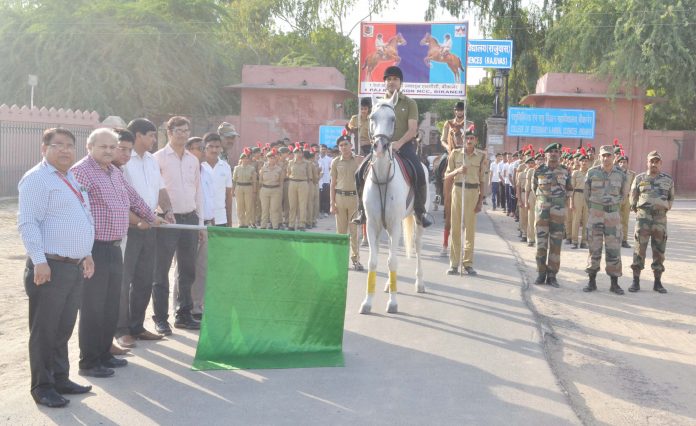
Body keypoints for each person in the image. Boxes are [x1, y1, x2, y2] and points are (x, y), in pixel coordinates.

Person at [72, 128, 158, 377]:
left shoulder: (114, 172)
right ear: (89, 147)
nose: (109, 151)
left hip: (114, 247)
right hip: (93, 249)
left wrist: (152, 217)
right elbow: (78, 211)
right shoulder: (82, 172)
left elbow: (133, 198)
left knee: (110, 305)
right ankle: (89, 362)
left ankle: (104, 354)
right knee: (92, 306)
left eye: (112, 147)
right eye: (103, 147)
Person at [18, 128, 95, 408]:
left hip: (73, 267)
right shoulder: (37, 179)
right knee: (44, 330)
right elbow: (28, 223)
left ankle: (61, 377)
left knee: (63, 328)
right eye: (57, 145)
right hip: (49, 266)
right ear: (44, 148)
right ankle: (42, 386)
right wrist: (39, 260)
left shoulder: (70, 177)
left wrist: (86, 253)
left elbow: (82, 217)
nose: (65, 150)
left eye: (69, 145)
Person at [116, 118, 173, 349]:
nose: (153, 139)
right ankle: (121, 329)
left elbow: (160, 189)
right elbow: (122, 200)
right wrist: (138, 221)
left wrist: (167, 210)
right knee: (124, 279)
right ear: (138, 135)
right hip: (128, 228)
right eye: (150, 135)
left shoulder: (151, 161)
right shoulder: (122, 162)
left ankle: (137, 326)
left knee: (144, 279)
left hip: (150, 226)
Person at [352, 66, 432, 228]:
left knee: (419, 172)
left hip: (403, 147)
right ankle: (361, 210)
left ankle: (420, 211)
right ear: (385, 83)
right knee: (358, 173)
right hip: (381, 147)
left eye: (395, 79)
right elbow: (371, 127)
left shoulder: (410, 103)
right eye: (388, 79)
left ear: (400, 82)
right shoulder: (378, 103)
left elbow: (412, 129)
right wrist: (376, 143)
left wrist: (399, 143)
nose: (391, 82)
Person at [152, 116, 203, 335]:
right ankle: (161, 318)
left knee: (187, 269)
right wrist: (160, 214)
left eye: (186, 130)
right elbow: (154, 190)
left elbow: (198, 192)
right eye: (178, 130)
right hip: (166, 221)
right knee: (161, 270)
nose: (183, 134)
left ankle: (183, 314)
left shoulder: (193, 160)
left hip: (189, 219)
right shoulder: (158, 159)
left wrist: (200, 224)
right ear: (169, 131)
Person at [582, 145, 627, 294]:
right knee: (594, 248)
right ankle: (591, 281)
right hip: (595, 215)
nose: (606, 158)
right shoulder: (592, 172)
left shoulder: (621, 175)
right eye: (603, 155)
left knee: (613, 250)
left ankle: (614, 283)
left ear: (613, 157)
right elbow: (586, 194)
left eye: (609, 155)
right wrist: (596, 207)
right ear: (599, 157)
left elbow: (623, 195)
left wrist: (612, 206)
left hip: (613, 217)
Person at [628, 151, 674, 294]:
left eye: (656, 161)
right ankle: (635, 282)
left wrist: (662, 208)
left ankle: (657, 283)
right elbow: (633, 197)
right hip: (643, 219)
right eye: (651, 161)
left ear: (660, 163)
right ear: (647, 162)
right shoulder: (639, 178)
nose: (653, 164)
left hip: (660, 220)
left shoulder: (668, 180)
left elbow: (671, 199)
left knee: (659, 250)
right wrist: (640, 211)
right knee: (639, 249)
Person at [444, 126, 485, 275]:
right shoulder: (455, 154)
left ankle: (468, 263)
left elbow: (483, 180)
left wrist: (481, 200)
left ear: (476, 141)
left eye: (472, 138)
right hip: (458, 190)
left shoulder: (481, 156)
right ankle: (454, 263)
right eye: (467, 138)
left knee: (470, 230)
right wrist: (458, 171)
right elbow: (446, 176)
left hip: (473, 192)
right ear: (463, 139)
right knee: (455, 228)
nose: (469, 140)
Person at [533, 142, 572, 287]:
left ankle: (552, 276)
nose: (554, 154)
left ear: (560, 154)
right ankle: (541, 273)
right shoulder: (538, 171)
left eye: (556, 151)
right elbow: (534, 189)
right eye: (551, 152)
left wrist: (560, 204)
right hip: (542, 213)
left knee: (556, 245)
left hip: (558, 214)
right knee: (541, 245)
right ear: (546, 154)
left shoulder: (566, 171)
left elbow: (569, 190)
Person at [331, 134, 363, 270]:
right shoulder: (336, 162)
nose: (344, 147)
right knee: (341, 232)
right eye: (341, 145)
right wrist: (332, 203)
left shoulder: (358, 160)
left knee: (354, 232)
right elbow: (333, 183)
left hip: (354, 199)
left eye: (346, 144)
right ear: (339, 148)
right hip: (340, 198)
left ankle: (355, 259)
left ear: (351, 146)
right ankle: (340, 259)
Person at [439, 102, 467, 255]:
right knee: (440, 166)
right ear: (454, 111)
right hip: (450, 151)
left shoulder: (469, 123)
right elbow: (442, 139)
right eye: (457, 109)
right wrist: (448, 148)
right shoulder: (447, 124)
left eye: (461, 109)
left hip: (464, 152)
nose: (459, 112)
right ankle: (439, 190)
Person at [286, 146, 312, 230]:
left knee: (302, 205)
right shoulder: (290, 162)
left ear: (302, 153)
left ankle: (302, 224)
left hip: (303, 183)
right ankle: (291, 224)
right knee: (292, 205)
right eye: (296, 152)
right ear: (294, 154)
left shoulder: (307, 163)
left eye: (300, 152)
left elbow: (309, 176)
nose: (298, 154)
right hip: (293, 183)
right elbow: (288, 173)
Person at [259, 148, 284, 229]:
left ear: (276, 159)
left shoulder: (279, 169)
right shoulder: (263, 169)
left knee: (274, 210)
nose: (271, 159)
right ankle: (263, 227)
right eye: (270, 158)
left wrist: (280, 192)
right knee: (264, 210)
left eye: (273, 158)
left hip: (275, 190)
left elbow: (281, 182)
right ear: (267, 158)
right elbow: (260, 180)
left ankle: (275, 227)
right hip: (265, 190)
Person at [232, 148, 257, 228]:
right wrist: (232, 190)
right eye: (244, 158)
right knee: (239, 206)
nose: (245, 160)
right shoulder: (237, 168)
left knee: (248, 206)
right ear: (241, 159)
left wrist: (254, 191)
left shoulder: (252, 168)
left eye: (247, 158)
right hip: (239, 187)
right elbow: (234, 180)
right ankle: (241, 223)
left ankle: (246, 223)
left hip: (248, 187)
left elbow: (254, 182)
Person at [569, 152, 590, 249]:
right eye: (582, 161)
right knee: (576, 219)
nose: (584, 163)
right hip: (577, 195)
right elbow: (571, 189)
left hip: (587, 196)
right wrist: (571, 202)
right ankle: (574, 241)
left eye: (586, 161)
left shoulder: (590, 173)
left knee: (586, 220)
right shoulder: (575, 173)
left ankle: (584, 241)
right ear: (579, 162)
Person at [616, 153, 636, 248]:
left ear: (627, 163)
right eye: (620, 162)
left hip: (627, 199)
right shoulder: (614, 173)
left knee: (625, 221)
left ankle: (624, 240)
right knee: (615, 220)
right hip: (616, 199)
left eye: (624, 162)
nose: (622, 164)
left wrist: (633, 202)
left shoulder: (632, 174)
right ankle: (615, 239)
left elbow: (633, 189)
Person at [318, 144, 333, 217]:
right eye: (322, 149)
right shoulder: (317, 158)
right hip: (319, 181)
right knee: (319, 197)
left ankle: (326, 211)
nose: (323, 150)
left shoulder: (330, 159)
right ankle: (320, 211)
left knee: (326, 197)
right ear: (319, 149)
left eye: (324, 149)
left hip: (327, 180)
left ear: (326, 150)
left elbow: (331, 170)